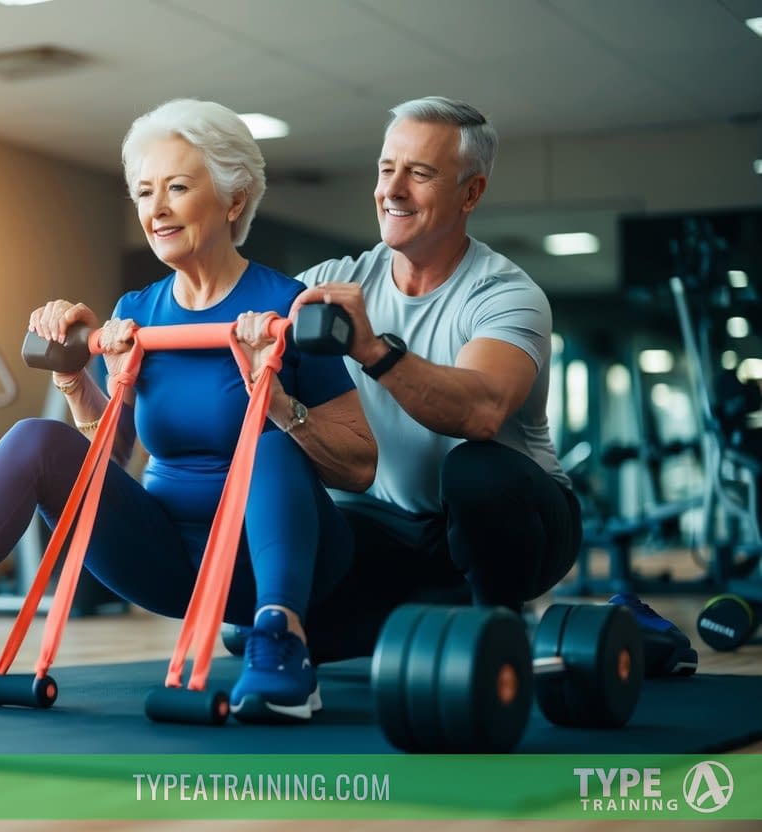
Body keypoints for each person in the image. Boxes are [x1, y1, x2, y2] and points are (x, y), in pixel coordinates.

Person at [0, 99, 377, 722]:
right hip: (168, 561)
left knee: (266, 442)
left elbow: (359, 466)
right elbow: (110, 454)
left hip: (276, 562)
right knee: (35, 439)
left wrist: (277, 398)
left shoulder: (286, 305)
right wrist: (77, 377)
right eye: (145, 192)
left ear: (235, 200)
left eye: (178, 187)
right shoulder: (140, 310)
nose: (157, 207)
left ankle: (283, 644)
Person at [287, 95, 696, 675]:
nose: (393, 189)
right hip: (390, 529)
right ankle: (484, 627)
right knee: (269, 630)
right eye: (386, 169)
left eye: (420, 173)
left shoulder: (506, 293)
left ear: (471, 193)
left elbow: (480, 411)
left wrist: (372, 349)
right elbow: (236, 315)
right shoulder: (335, 280)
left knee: (475, 468)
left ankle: (507, 623)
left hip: (517, 523)